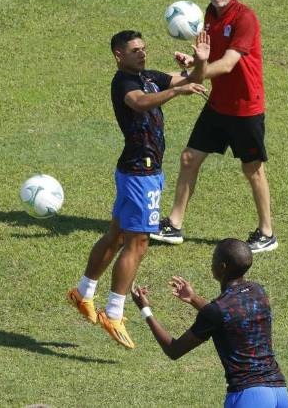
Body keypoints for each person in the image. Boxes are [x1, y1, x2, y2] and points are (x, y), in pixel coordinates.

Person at [67, 30, 209, 349]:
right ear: (119, 55)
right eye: (135, 50)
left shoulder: (148, 76)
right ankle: (114, 312)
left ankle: (83, 292)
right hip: (139, 171)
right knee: (139, 243)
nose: (142, 54)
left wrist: (200, 63)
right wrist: (177, 92)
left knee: (117, 236)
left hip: (144, 170)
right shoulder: (124, 84)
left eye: (144, 49)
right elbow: (141, 104)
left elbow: (193, 78)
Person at [151, 0, 278, 253]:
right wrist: (194, 63)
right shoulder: (207, 16)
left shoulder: (246, 18)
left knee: (252, 169)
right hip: (219, 104)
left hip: (246, 107)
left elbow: (229, 63)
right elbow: (210, 59)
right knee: (188, 158)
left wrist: (196, 72)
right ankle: (174, 224)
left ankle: (267, 233)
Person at [131, 239, 288, 407]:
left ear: (222, 267)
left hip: (248, 395)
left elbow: (174, 350)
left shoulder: (216, 310)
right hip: (279, 392)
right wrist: (193, 298)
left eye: (214, 257)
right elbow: (227, 317)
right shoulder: (258, 291)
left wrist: (145, 309)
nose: (211, 262)